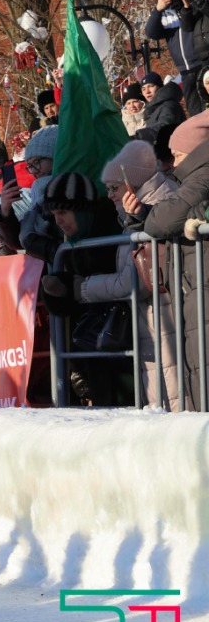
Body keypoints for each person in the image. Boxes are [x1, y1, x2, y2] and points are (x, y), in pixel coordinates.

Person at [97, 141, 180, 408]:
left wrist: (82, 288)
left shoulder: (161, 202)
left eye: (113, 188)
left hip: (166, 317)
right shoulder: (132, 213)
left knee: (174, 400)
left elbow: (138, 280)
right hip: (154, 318)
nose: (109, 195)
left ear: (133, 183)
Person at [140, 112, 209, 410]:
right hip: (196, 290)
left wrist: (148, 218)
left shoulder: (203, 175)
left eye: (179, 155)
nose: (175, 163)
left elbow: (161, 222)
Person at [37, 173, 124, 406]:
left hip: (123, 343)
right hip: (95, 347)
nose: (58, 221)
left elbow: (123, 283)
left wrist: (74, 288)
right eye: (54, 215)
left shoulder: (115, 232)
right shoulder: (73, 244)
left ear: (82, 210)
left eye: (63, 213)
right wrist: (57, 290)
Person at [0, 125, 59, 262]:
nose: (34, 171)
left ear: (55, 156)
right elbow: (17, 242)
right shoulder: (37, 193)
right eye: (29, 166)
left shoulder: (72, 186)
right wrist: (5, 212)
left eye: (37, 162)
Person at [146, 0, 203, 117]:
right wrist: (157, 10)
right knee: (195, 110)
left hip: (201, 64)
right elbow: (152, 33)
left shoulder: (194, 5)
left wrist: (184, 6)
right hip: (184, 70)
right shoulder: (166, 14)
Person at [178, 0, 209, 117]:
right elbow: (187, 27)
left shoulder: (201, 1)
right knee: (204, 95)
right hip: (202, 57)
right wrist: (186, 6)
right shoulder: (196, 2)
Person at [141, 72, 185, 139]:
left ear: (160, 87)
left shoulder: (169, 105)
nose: (147, 91)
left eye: (151, 86)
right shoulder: (152, 108)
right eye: (143, 89)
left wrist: (140, 135)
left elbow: (165, 127)